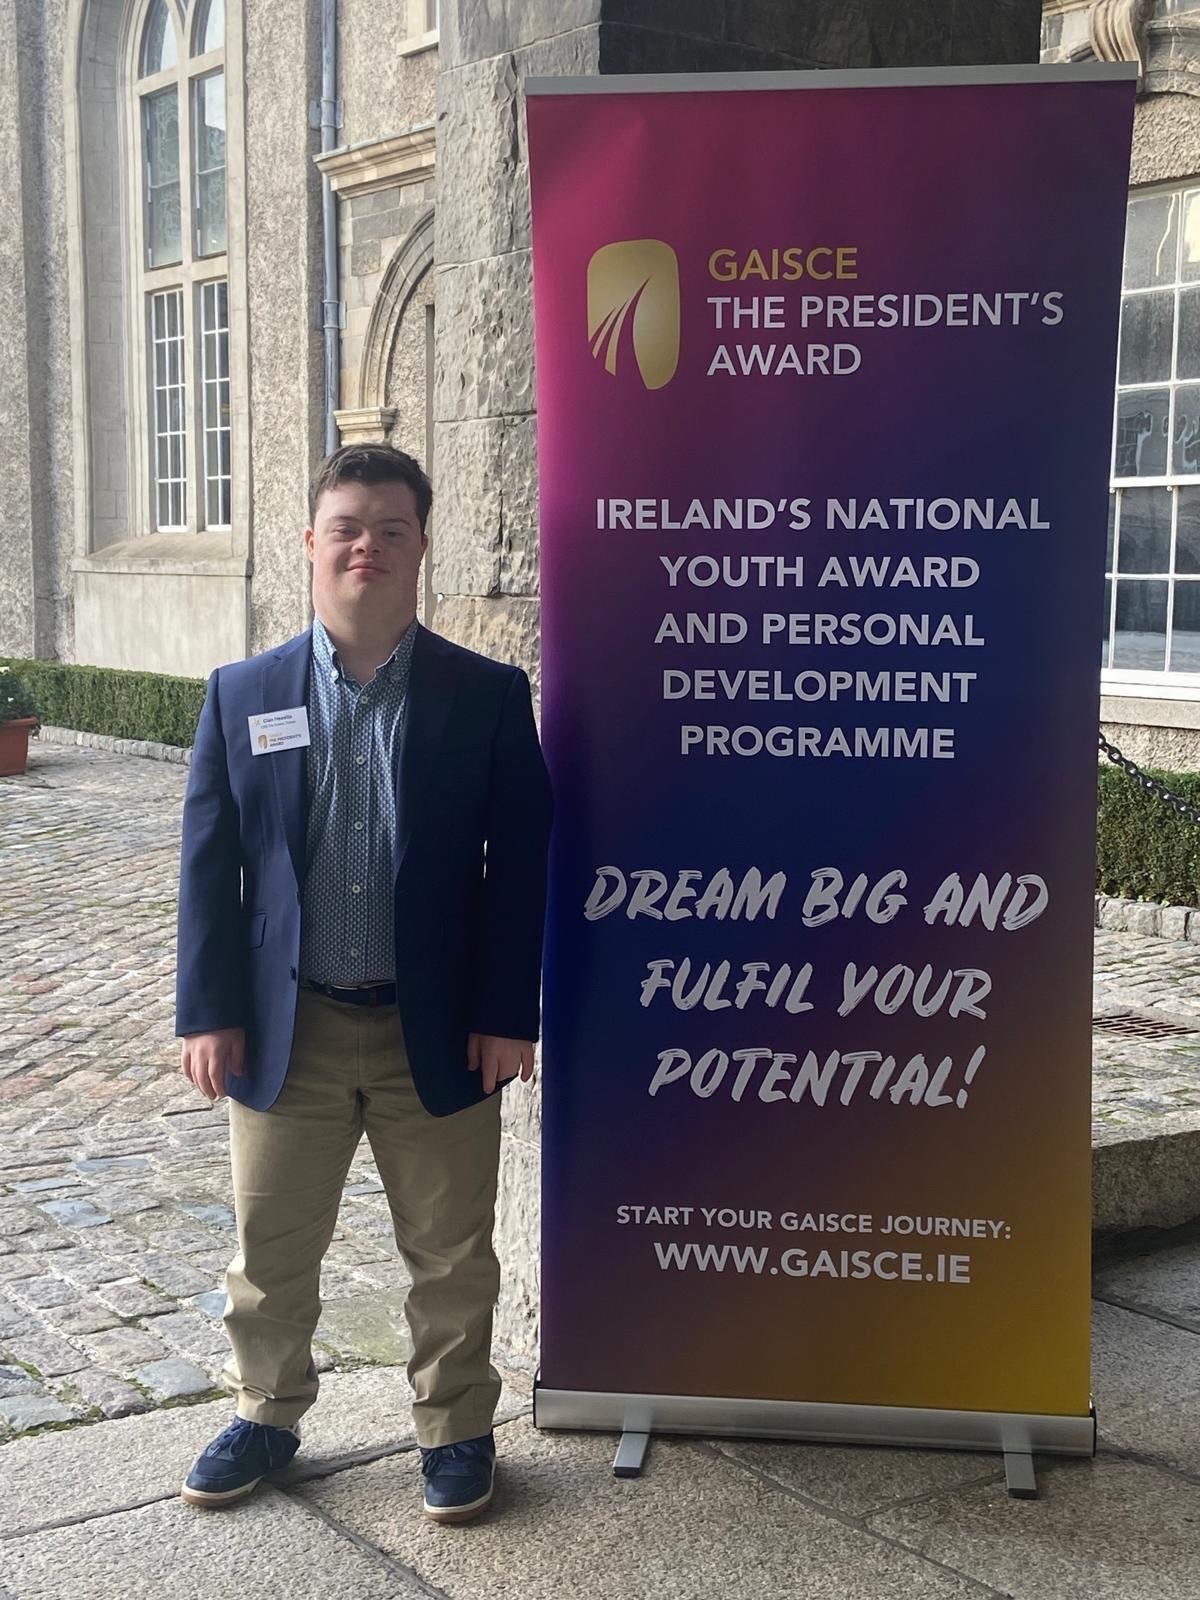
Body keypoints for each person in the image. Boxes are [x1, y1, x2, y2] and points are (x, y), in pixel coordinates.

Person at [174, 443, 553, 1523]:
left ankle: (456, 1428)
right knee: (270, 1249)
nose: (366, 548)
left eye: (391, 529)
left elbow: (520, 862)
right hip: (284, 1027)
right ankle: (265, 1410)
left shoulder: (486, 695)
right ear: (311, 543)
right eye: (346, 528)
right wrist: (208, 1011)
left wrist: (505, 1014)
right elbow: (209, 864)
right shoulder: (242, 693)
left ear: (421, 545)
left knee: (451, 1252)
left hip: (435, 1026)